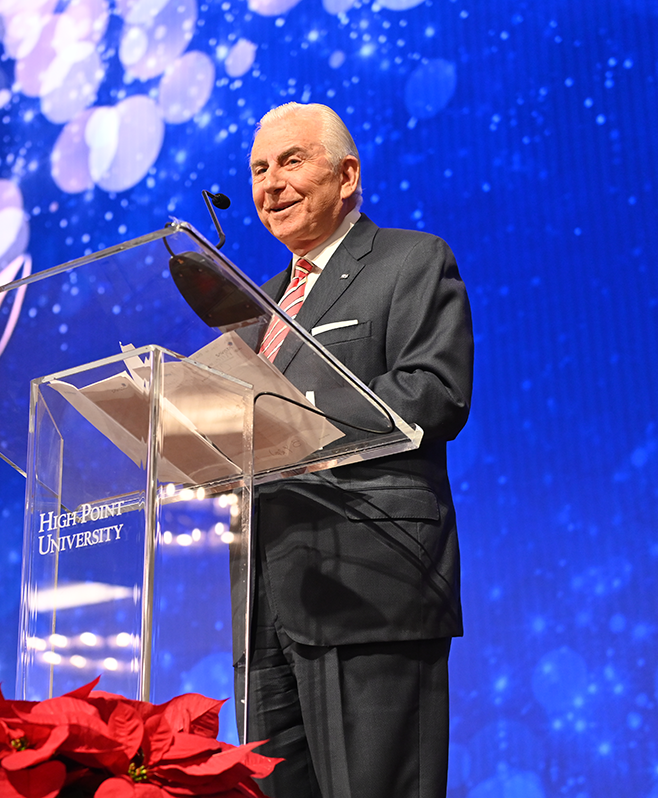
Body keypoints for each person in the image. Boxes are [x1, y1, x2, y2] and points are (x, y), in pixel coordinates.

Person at [237, 102, 473, 798]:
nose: (271, 183)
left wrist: (294, 414)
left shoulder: (411, 260)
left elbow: (433, 391)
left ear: (346, 176)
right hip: (264, 602)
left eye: (290, 161)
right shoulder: (256, 306)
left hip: (370, 585)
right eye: (258, 169)